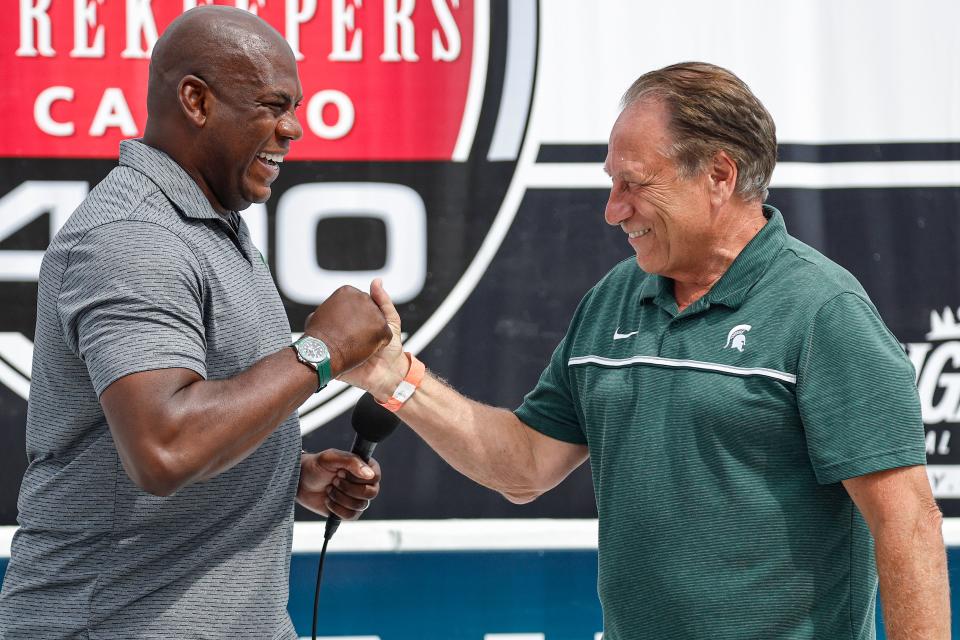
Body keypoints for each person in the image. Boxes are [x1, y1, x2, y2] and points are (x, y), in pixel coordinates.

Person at [347, 63, 950, 639]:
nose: (613, 211)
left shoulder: (824, 311)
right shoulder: (616, 296)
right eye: (611, 183)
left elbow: (908, 526)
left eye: (634, 184)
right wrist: (395, 377)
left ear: (719, 174)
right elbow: (524, 467)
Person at [0, 7, 390, 639]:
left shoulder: (210, 226)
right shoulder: (132, 235)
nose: (292, 128)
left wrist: (285, 472)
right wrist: (321, 350)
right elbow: (164, 447)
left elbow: (165, 426)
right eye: (271, 104)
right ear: (196, 101)